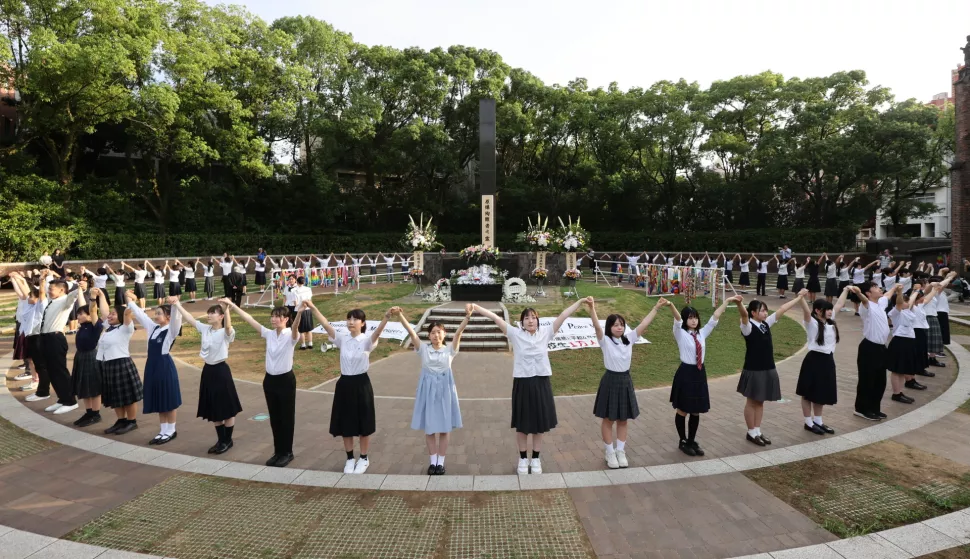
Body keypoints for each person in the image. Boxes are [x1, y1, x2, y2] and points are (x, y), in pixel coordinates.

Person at [471, 298, 590, 475]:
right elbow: (496, 318)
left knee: (539, 423)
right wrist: (476, 307)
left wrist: (580, 302)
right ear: (522, 322)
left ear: (538, 320)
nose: (530, 320)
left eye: (533, 317)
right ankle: (522, 459)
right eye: (526, 318)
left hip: (541, 382)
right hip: (523, 383)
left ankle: (535, 458)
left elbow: (564, 315)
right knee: (523, 424)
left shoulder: (546, 333)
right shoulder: (515, 334)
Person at [304, 302, 393, 474]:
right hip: (344, 384)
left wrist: (386, 317)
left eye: (355, 319)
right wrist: (313, 307)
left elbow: (377, 333)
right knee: (346, 423)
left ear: (363, 323)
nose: (351, 322)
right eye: (349, 319)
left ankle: (364, 458)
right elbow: (326, 325)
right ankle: (350, 458)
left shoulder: (367, 341)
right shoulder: (342, 338)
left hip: (361, 384)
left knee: (363, 423)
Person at [223, 301, 303, 468]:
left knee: (286, 417)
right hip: (270, 380)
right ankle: (278, 451)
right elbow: (249, 318)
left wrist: (300, 312)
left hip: (285, 380)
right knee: (274, 417)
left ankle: (287, 452)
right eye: (272, 316)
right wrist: (232, 305)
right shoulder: (269, 334)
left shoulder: (291, 335)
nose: (274, 319)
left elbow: (295, 329)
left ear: (286, 319)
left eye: (278, 317)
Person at [587, 297, 661, 468]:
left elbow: (644, 324)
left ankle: (620, 451)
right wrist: (592, 308)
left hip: (625, 380)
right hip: (610, 381)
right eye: (615, 325)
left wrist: (656, 308)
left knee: (623, 419)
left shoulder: (629, 339)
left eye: (621, 324)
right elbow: (597, 326)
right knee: (608, 419)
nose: (619, 327)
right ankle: (610, 452)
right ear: (610, 328)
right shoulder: (604, 341)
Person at [398, 306, 471, 475]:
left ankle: (441, 462)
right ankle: (432, 462)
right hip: (428, 393)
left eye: (439, 332)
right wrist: (400, 315)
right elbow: (411, 332)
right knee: (430, 428)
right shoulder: (423, 349)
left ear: (444, 334)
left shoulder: (450, 350)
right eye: (433, 332)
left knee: (445, 429)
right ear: (428, 336)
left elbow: (459, 333)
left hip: (445, 391)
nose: (436, 335)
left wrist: (467, 317)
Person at [664, 295, 739, 456]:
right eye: (690, 318)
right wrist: (670, 305)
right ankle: (683, 440)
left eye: (695, 317)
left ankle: (691, 440)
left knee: (696, 410)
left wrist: (726, 301)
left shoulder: (702, 334)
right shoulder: (680, 333)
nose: (694, 321)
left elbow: (714, 318)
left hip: (699, 373)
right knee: (683, 409)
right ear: (685, 320)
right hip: (685, 373)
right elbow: (677, 319)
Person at [171, 298, 243, 454]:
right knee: (214, 407)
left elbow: (229, 327)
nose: (209, 315)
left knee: (227, 408)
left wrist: (227, 308)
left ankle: (227, 440)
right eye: (208, 313)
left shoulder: (226, 332)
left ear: (221, 316)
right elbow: (189, 318)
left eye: (213, 313)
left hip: (221, 371)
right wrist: (177, 304)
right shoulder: (205, 329)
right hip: (208, 371)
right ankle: (220, 440)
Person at [735, 290, 806, 446]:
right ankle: (751, 432)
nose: (766, 312)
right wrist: (739, 303)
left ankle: (757, 431)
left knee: (760, 402)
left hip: (768, 368)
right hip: (754, 369)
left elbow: (782, 309)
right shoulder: (747, 327)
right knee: (752, 401)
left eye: (766, 310)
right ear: (753, 312)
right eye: (762, 310)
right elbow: (744, 316)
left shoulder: (765, 324)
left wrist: (799, 298)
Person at [127, 292, 183, 445]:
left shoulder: (171, 330)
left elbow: (177, 320)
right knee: (159, 397)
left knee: (168, 398)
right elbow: (140, 315)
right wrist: (130, 301)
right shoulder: (153, 328)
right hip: (151, 366)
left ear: (168, 317)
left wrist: (175, 305)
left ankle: (171, 430)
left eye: (159, 313)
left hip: (164, 365)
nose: (155, 316)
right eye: (155, 313)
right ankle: (163, 430)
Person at [795, 288, 849, 435]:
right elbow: (806, 311)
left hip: (827, 360)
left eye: (831, 310)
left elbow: (839, 304)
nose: (831, 311)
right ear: (818, 311)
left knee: (821, 392)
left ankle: (818, 421)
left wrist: (846, 290)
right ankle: (808, 422)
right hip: (814, 360)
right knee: (808, 393)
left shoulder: (831, 323)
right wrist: (801, 297)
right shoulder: (811, 323)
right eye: (827, 310)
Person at [34, 271, 81, 415]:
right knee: (51, 370)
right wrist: (42, 281)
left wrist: (81, 287)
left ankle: (70, 401)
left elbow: (75, 295)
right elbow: (42, 292)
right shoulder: (52, 300)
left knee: (59, 371)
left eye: (52, 289)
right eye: (49, 288)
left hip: (55, 338)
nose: (49, 291)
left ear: (62, 290)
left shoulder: (65, 300)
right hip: (45, 338)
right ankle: (62, 398)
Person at [95, 298, 143, 435]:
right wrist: (100, 295)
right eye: (110, 314)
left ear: (121, 316)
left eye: (113, 314)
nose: (109, 316)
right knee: (115, 395)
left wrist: (130, 301)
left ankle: (132, 421)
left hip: (121, 363)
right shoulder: (108, 328)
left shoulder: (126, 328)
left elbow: (128, 314)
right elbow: (103, 311)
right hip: (107, 365)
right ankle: (121, 420)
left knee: (128, 396)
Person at [847, 283, 890, 421]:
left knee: (880, 381)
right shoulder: (866, 306)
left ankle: (874, 408)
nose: (880, 289)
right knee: (867, 380)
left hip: (881, 348)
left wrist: (896, 288)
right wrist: (859, 293)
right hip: (869, 348)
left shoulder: (881, 303)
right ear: (869, 293)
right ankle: (861, 409)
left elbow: (888, 295)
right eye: (876, 288)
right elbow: (864, 300)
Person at [71, 288, 106, 428]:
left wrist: (93, 297)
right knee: (83, 387)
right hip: (80, 357)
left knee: (94, 387)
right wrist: (80, 291)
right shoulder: (83, 326)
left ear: (89, 316)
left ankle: (96, 414)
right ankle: (89, 412)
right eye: (78, 314)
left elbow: (92, 310)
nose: (78, 316)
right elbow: (83, 304)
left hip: (91, 357)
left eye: (81, 314)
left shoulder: (95, 326)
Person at [887, 284, 922, 404]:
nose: (908, 302)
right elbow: (899, 302)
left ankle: (900, 392)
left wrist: (916, 290)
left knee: (903, 369)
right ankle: (896, 394)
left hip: (908, 341)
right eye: (905, 301)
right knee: (897, 370)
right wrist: (900, 292)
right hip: (900, 342)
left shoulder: (907, 311)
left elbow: (911, 300)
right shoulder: (896, 312)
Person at [293, 276, 314, 350]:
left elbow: (295, 303)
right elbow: (310, 299)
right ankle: (310, 343)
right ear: (304, 282)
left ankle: (303, 345)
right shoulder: (308, 289)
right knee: (309, 328)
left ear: (297, 282)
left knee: (301, 329)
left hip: (299, 310)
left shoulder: (294, 290)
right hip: (308, 309)